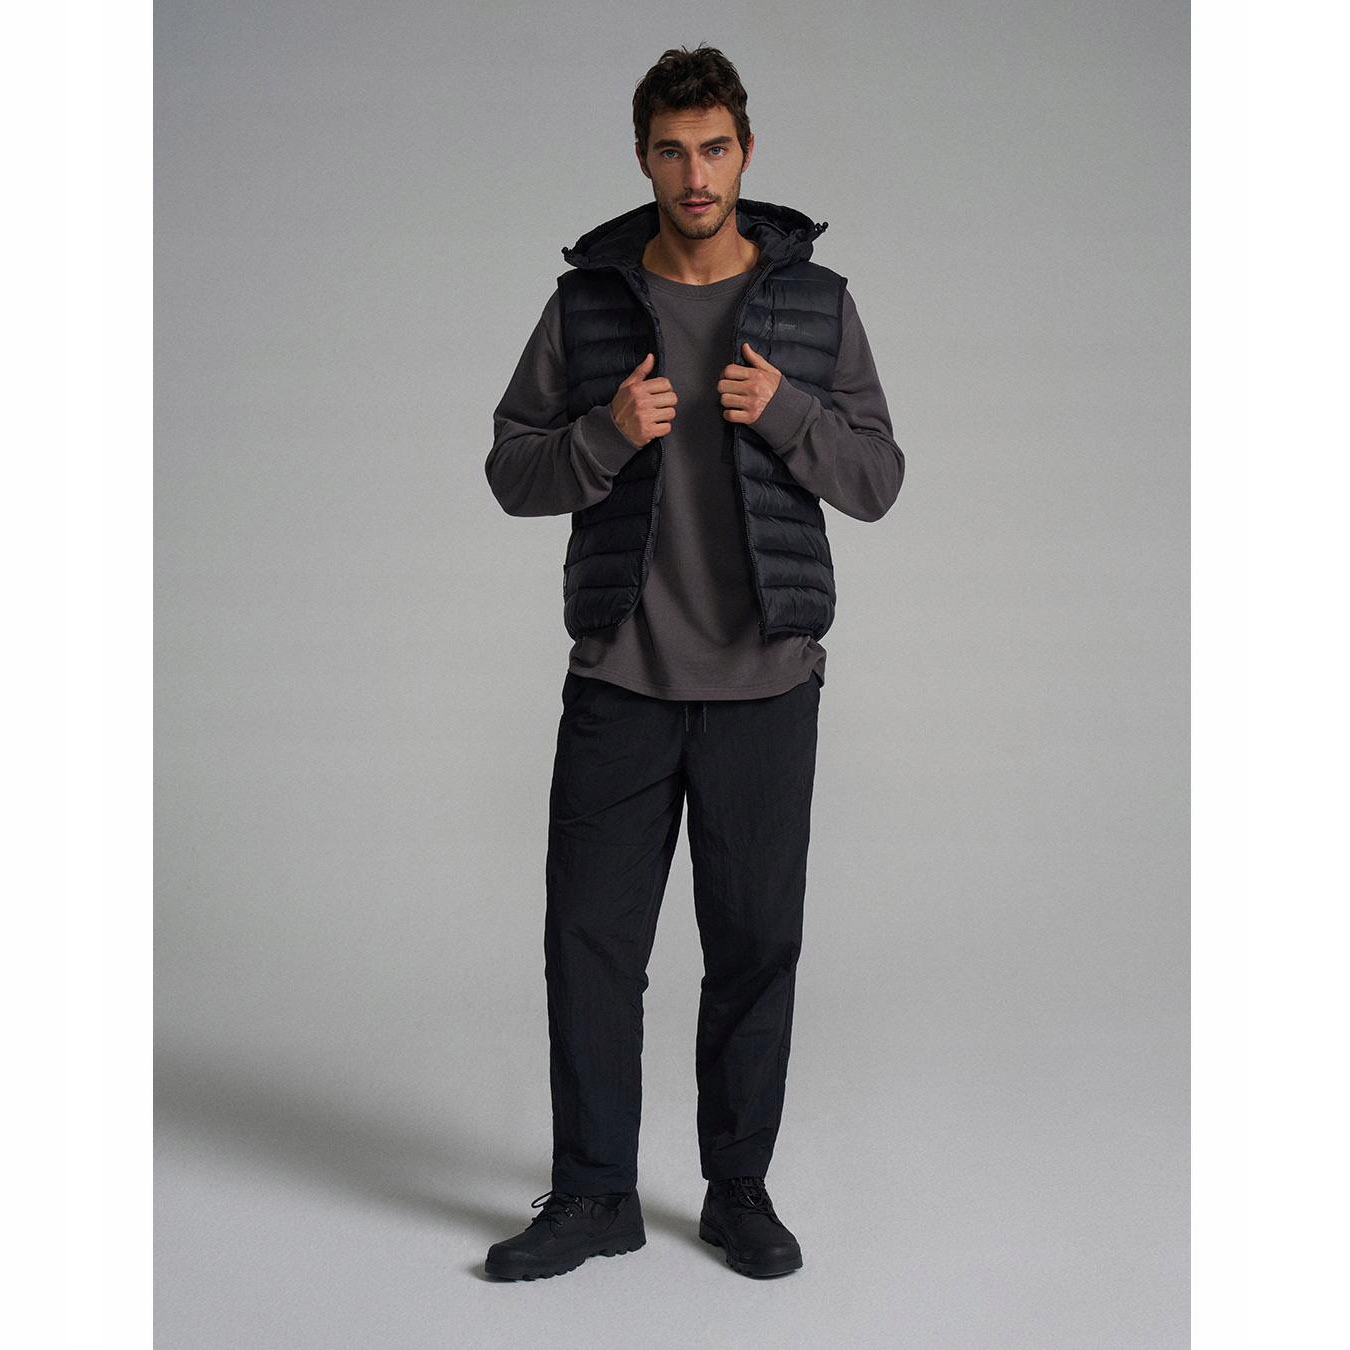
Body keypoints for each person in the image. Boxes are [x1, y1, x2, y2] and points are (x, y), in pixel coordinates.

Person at [481, 45, 904, 1281]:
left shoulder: (816, 306)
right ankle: (593, 1195)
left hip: (765, 687)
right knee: (589, 947)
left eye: (714, 148)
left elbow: (878, 478)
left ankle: (738, 1193)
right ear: (643, 160)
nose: (695, 174)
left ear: (746, 152)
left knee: (756, 946)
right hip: (620, 680)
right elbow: (510, 469)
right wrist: (605, 434)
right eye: (672, 151)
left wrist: (788, 411)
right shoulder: (588, 307)